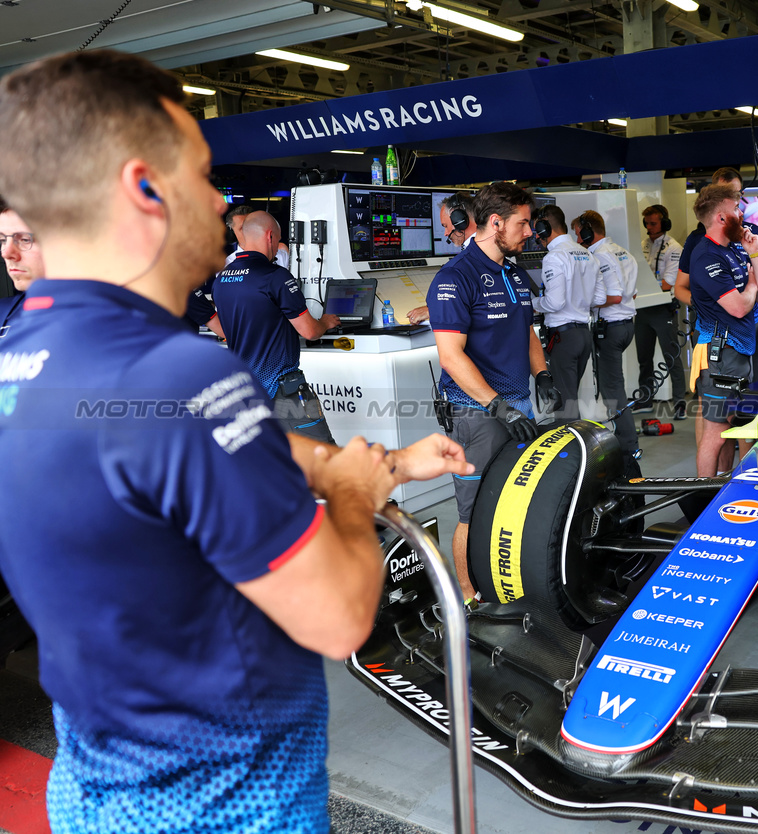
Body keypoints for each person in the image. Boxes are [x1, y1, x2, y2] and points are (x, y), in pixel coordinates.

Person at [0, 48, 473, 834]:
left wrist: (385, 463)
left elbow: (227, 466)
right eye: (203, 173)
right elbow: (337, 616)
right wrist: (356, 497)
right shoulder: (175, 375)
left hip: (97, 789)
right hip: (227, 805)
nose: (219, 199)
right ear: (145, 188)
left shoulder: (21, 357)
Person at [428, 182, 561, 602]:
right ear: (496, 223)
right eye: (523, 224)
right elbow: (451, 356)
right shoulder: (455, 278)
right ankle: (469, 600)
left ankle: (508, 585)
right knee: (473, 511)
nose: (530, 232)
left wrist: (542, 375)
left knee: (515, 502)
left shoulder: (513, 271)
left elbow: (526, 331)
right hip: (476, 413)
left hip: (518, 405)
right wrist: (497, 407)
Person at [214, 210, 340, 441]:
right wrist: (325, 321)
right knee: (325, 459)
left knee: (271, 464)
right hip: (283, 389)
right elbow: (310, 331)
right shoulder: (276, 276)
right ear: (270, 236)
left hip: (245, 389)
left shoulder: (222, 279)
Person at [687, 184, 758, 477]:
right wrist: (749, 287)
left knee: (735, 426)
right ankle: (702, 499)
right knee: (715, 434)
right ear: (722, 218)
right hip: (720, 357)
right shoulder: (706, 257)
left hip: (742, 353)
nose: (741, 213)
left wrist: (756, 254)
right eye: (736, 209)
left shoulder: (736, 249)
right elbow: (738, 306)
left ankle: (722, 489)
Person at [575, 209, 641, 460]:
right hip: (626, 326)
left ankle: (628, 446)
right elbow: (630, 294)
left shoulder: (599, 256)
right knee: (613, 387)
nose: (579, 239)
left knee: (613, 390)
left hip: (609, 329)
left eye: (580, 233)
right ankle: (622, 438)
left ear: (590, 230)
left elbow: (613, 297)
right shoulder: (623, 252)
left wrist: (583, 301)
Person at [533, 204, 604, 422]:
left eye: (538, 230)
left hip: (564, 337)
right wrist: (578, 299)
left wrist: (531, 303)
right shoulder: (587, 253)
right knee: (570, 399)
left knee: (564, 405)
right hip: (583, 336)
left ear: (546, 228)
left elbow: (554, 302)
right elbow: (600, 299)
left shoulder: (554, 257)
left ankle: (570, 454)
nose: (535, 236)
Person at [635, 204, 687, 419]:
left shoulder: (674, 248)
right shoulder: (643, 245)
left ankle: (680, 404)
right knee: (644, 358)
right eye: (646, 223)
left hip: (664, 308)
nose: (649, 227)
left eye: (653, 223)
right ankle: (645, 400)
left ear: (664, 223)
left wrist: (648, 286)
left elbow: (668, 283)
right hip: (643, 308)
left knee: (671, 357)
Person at [408, 192, 475, 325]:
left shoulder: (462, 265)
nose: (445, 233)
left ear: (460, 220)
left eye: (445, 226)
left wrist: (434, 311)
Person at [0, 199, 46, 333]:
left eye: (25, 240)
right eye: (2, 240)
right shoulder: (3, 311)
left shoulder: (99, 315)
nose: (5, 253)